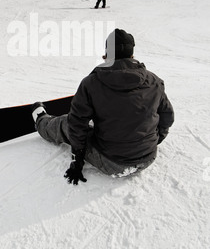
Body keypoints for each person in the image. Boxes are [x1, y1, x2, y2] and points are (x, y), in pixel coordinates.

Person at [31, 28, 174, 185]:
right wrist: (153, 140)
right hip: (148, 157)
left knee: (66, 123)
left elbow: (76, 126)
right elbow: (167, 116)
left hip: (112, 163)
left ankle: (41, 121)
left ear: (106, 55)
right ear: (132, 55)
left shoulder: (91, 83)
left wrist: (77, 159)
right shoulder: (154, 81)